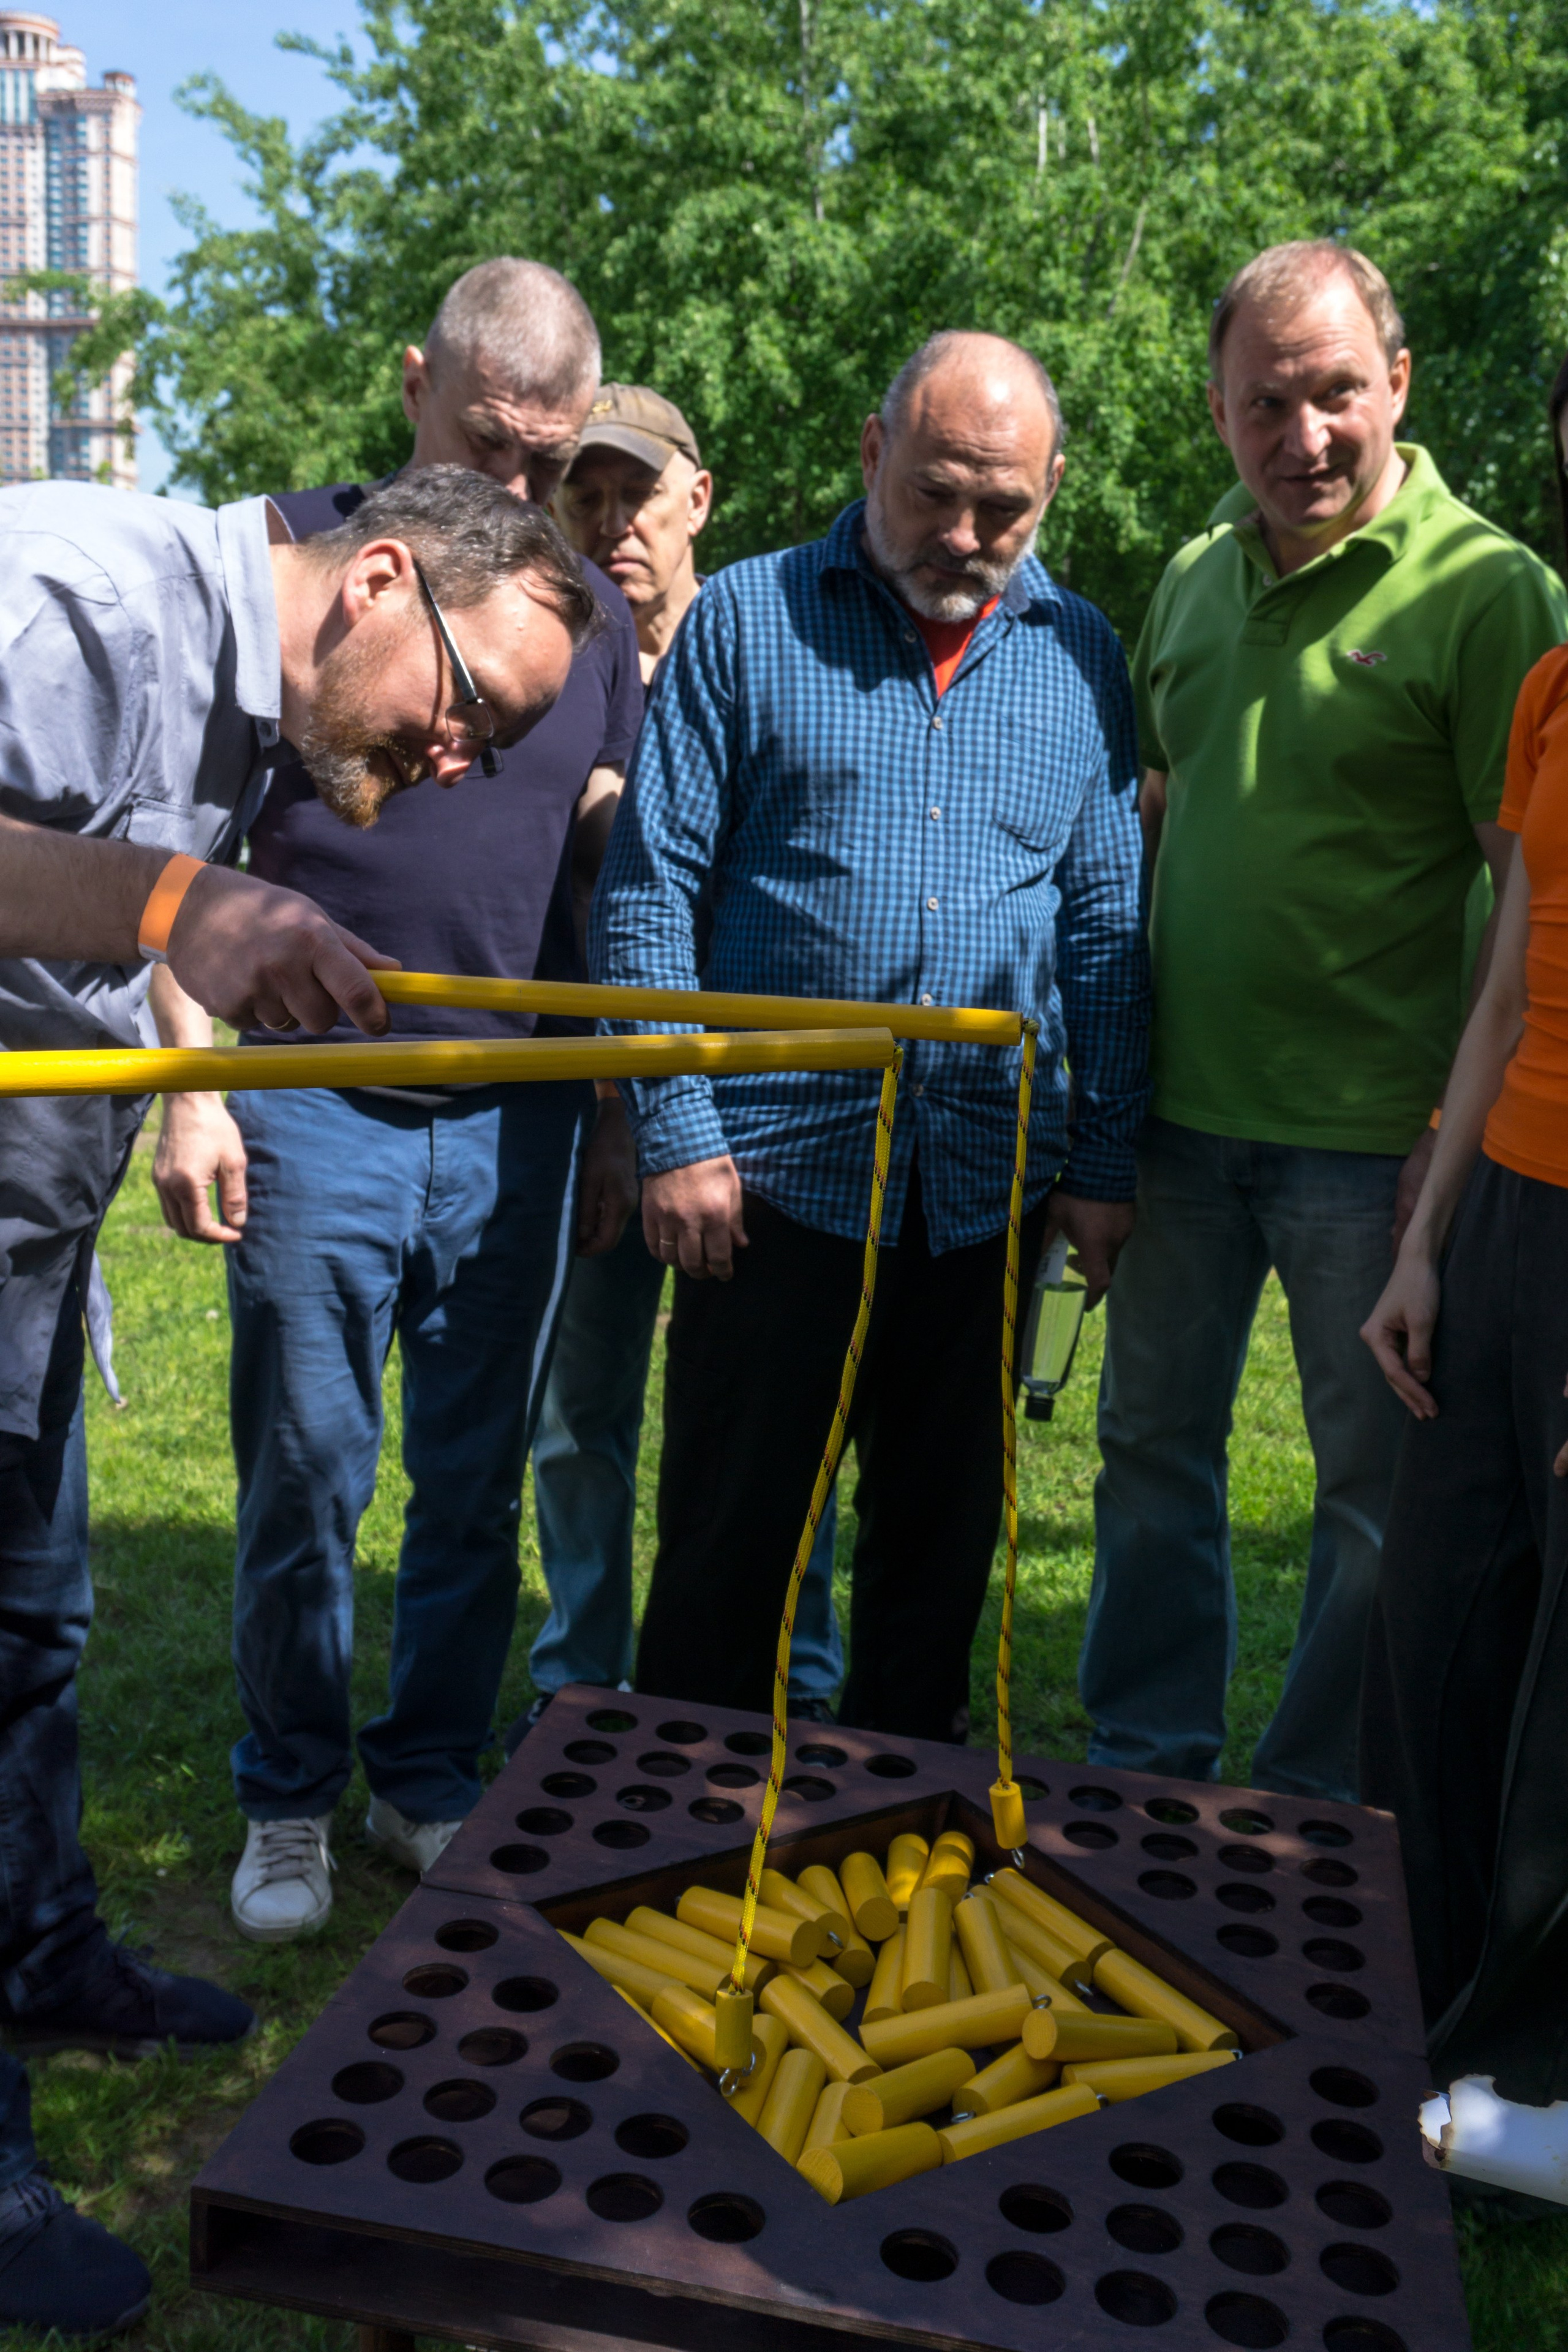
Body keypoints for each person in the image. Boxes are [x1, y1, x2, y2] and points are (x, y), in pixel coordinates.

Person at [0, 461, 593, 2339]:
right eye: (468, 711)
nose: (455, 764)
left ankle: (42, 1955)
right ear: (385, 581)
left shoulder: (231, 690)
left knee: (32, 1627)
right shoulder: (82, 604)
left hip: (28, 1244)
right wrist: (190, 903)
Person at [149, 262, 643, 1945]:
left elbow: (600, 858)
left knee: (478, 1472)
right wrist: (192, 1089)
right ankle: (286, 1793)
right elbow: (171, 840)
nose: (520, 495)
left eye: (551, 463)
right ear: (416, 384)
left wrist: (622, 1114)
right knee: (303, 1467)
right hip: (307, 1101)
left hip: (516, 1110)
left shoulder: (592, 621)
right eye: (494, 450)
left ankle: (425, 1777)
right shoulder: (299, 570)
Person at [591, 330, 1149, 1740]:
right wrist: (677, 1132)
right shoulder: (748, 623)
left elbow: (1100, 928)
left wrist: (1101, 1161)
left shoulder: (1078, 653)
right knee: (729, 1558)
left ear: (1052, 488)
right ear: (869, 451)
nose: (964, 535)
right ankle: (681, 1851)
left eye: (1003, 508)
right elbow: (650, 889)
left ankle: (899, 1857)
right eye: (934, 493)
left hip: (982, 1190)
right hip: (764, 1189)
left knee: (935, 1567)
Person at [1078, 240, 1568, 1805]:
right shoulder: (1185, 577)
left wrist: (1454, 1145)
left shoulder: (1488, 591)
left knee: (1374, 1498)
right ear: (1217, 413)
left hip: (1381, 1142)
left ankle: (1304, 1807)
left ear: (1397, 386)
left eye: (1336, 393)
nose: (1304, 436)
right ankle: (1146, 1767)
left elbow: (1526, 892)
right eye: (1265, 402)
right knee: (1151, 1460)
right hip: (1178, 1122)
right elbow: (1159, 811)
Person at [532, 384, 843, 1728]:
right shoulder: (536, 666)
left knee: (793, 1425)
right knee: (584, 1415)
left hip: (778, 1117)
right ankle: (580, 1693)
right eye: (582, 498)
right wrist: (616, 1107)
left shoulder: (782, 644)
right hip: (598, 1111)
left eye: (636, 497)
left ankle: (798, 1678)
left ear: (696, 499)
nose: (610, 526)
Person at [1359, 352, 1568, 2122]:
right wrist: (1424, 1239)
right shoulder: (1557, 687)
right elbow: (1505, 981)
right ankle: (1412, 2011)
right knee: (1434, 1625)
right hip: (1501, 1205)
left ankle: (1539, 2074)